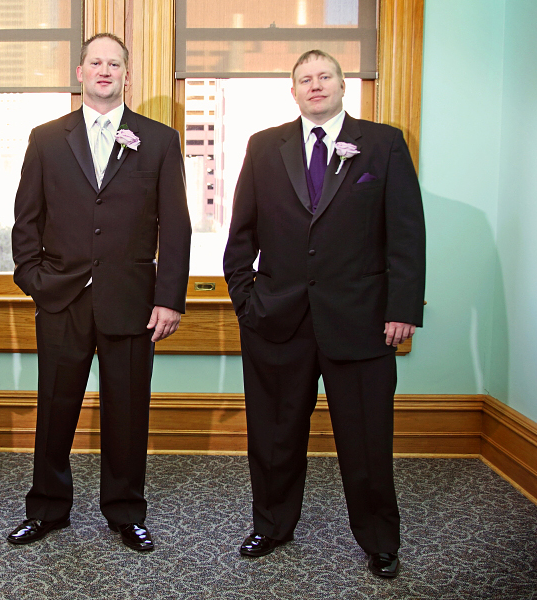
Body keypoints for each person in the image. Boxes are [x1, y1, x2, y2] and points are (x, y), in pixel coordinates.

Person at [223, 49, 425, 578]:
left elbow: (406, 233)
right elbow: (240, 233)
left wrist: (402, 308)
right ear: (293, 92)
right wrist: (247, 303)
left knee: (366, 441)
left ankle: (380, 540)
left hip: (361, 322)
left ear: (342, 85)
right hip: (276, 321)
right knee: (273, 435)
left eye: (324, 77)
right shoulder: (264, 147)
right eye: (304, 79)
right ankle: (270, 525)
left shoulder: (383, 143)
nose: (315, 86)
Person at [7, 33, 191, 552]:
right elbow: (26, 222)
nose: (105, 70)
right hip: (61, 299)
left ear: (127, 75)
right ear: (80, 71)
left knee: (128, 411)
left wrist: (169, 298)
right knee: (55, 407)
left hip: (133, 300)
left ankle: (126, 511)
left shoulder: (157, 140)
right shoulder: (46, 138)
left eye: (115, 63)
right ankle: (46, 509)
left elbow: (175, 228)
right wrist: (36, 282)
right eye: (95, 62)